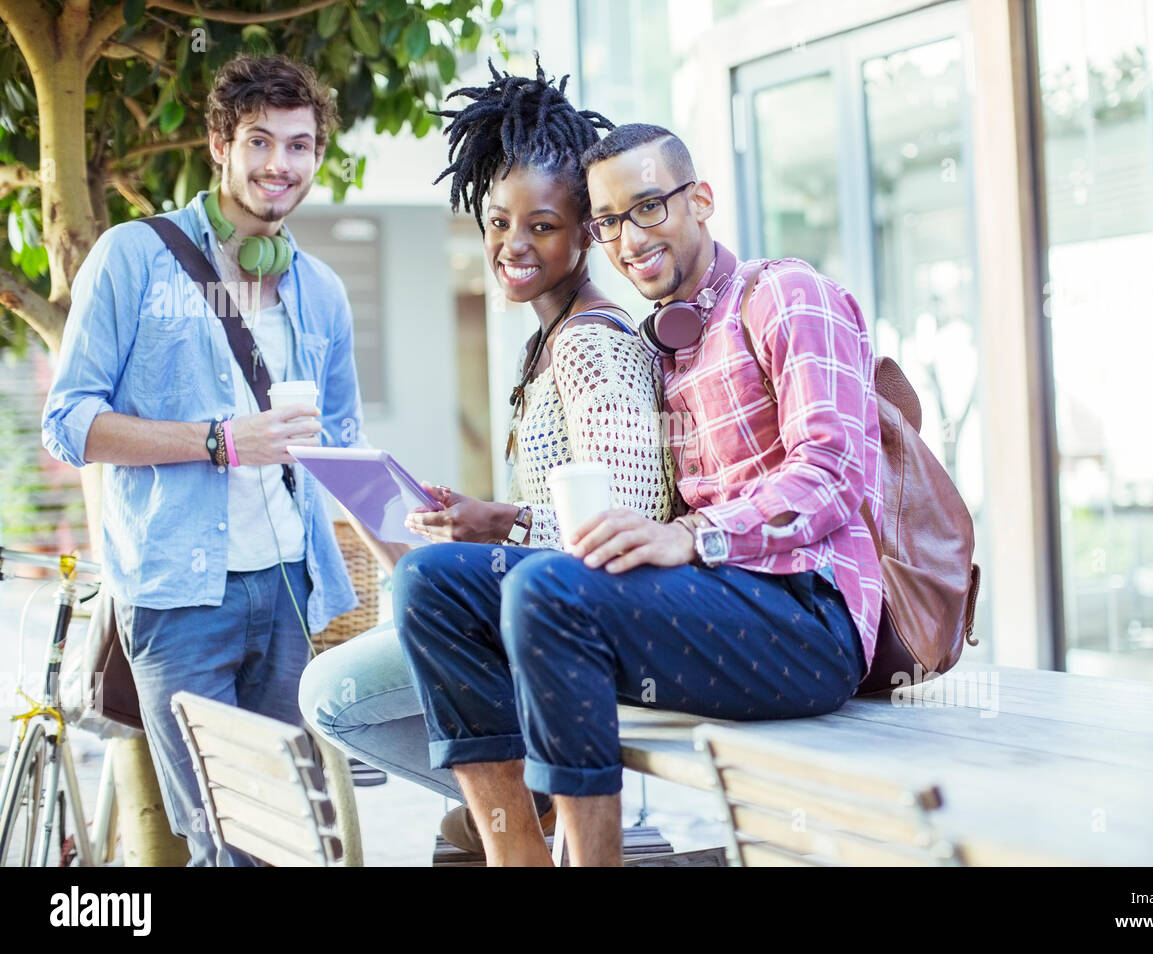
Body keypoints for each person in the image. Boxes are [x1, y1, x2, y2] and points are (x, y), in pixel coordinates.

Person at [392, 120, 886, 866]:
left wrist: (695, 537)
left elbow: (835, 471)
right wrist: (501, 521)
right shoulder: (670, 341)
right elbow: (639, 517)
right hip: (712, 599)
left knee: (548, 594)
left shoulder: (785, 292)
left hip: (810, 616)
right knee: (430, 583)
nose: (628, 239)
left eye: (648, 207)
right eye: (610, 221)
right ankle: (516, 855)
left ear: (703, 200)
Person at [298, 59, 675, 855]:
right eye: (498, 221)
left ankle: (522, 815)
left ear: (588, 232)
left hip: (577, 631)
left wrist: (501, 523)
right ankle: (517, 811)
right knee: (377, 646)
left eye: (541, 225)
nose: (512, 243)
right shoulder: (543, 346)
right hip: (531, 615)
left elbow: (624, 522)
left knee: (330, 692)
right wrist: (467, 525)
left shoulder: (592, 349)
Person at [42, 55, 365, 866]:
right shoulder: (131, 259)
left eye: (299, 145)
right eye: (260, 141)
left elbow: (345, 441)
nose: (279, 165)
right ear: (221, 143)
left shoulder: (319, 289)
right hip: (178, 599)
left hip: (291, 588)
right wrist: (219, 440)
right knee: (225, 840)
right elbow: (69, 423)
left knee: (283, 833)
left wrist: (410, 539)